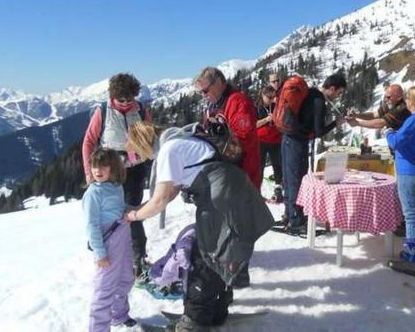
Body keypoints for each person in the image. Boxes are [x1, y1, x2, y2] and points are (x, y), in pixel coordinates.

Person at [125, 122, 273, 332]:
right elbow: (172, 191)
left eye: (135, 153)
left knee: (202, 258)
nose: (139, 158)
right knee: (217, 254)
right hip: (230, 191)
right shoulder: (181, 140)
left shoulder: (168, 150)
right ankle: (215, 312)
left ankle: (194, 322)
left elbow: (162, 198)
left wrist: (133, 215)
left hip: (219, 199)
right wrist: (139, 209)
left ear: (142, 144)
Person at [82, 73, 152, 276]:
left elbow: (151, 137)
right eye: (122, 100)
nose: (126, 104)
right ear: (114, 96)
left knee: (132, 213)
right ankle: (104, 250)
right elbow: (88, 142)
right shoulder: (103, 112)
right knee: (109, 213)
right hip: (110, 172)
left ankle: (138, 257)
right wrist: (89, 172)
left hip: (135, 170)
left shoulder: (140, 110)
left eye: (130, 99)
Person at [281, 72, 347, 233]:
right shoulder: (319, 101)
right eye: (338, 93)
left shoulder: (309, 92)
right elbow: (319, 131)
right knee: (297, 180)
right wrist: (335, 124)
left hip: (286, 139)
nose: (338, 97)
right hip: (297, 142)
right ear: (332, 88)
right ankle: (296, 221)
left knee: (289, 179)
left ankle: (290, 215)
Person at [83, 148, 136, 331]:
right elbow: (91, 225)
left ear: (113, 167)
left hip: (123, 238)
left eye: (103, 166)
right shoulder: (93, 193)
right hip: (108, 243)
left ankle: (118, 314)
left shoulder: (116, 186)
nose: (98, 170)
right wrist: (100, 253)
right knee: (104, 289)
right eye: (94, 166)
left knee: (126, 278)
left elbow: (117, 209)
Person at [385, 85, 415, 276]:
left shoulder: (414, 120)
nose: (405, 102)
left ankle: (411, 256)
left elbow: (396, 142)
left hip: (409, 171)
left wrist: (389, 133)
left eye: (406, 99)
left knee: (411, 215)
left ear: (411, 102)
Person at [194, 67, 261, 190]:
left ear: (219, 83)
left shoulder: (238, 102)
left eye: (205, 91)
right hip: (224, 175)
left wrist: (215, 140)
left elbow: (243, 142)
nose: (203, 95)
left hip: (243, 176)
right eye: (200, 93)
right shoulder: (213, 105)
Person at [255, 85, 283, 202]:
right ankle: (257, 193)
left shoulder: (275, 106)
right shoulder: (256, 107)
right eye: (269, 97)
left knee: (277, 166)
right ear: (263, 95)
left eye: (273, 97)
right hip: (261, 140)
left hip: (275, 140)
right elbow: (254, 124)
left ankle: (278, 191)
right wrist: (267, 120)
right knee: (259, 167)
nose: (271, 99)